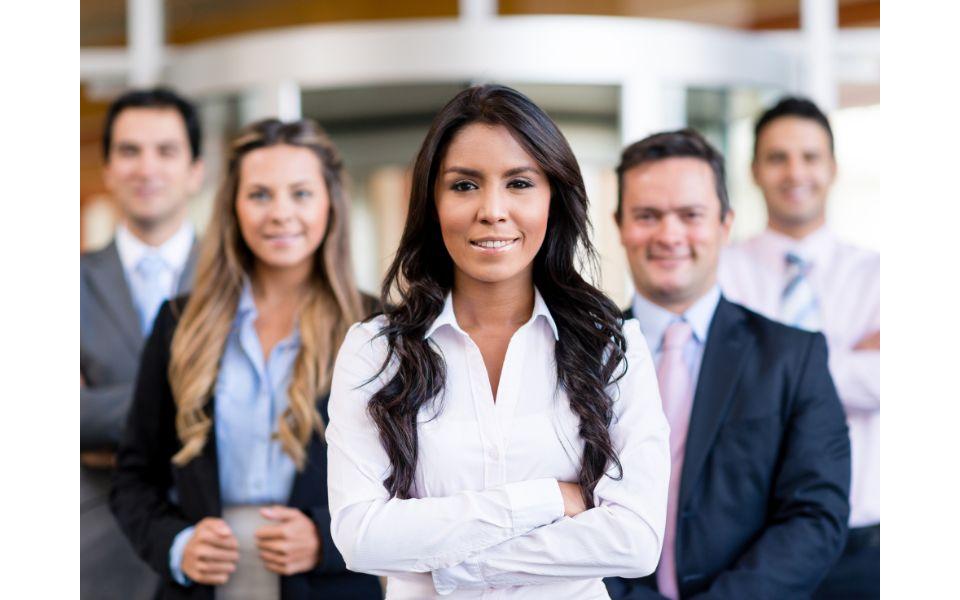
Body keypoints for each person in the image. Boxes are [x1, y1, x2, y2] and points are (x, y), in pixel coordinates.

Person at [325, 84, 671, 599]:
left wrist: (458, 568)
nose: (492, 209)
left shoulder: (612, 345)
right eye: (464, 185)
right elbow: (361, 538)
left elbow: (636, 541)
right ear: (432, 202)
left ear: (553, 196)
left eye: (519, 183)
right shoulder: (376, 351)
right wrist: (549, 500)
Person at [110, 118, 383, 600]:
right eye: (259, 195)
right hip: (202, 587)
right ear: (234, 208)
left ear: (330, 205)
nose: (280, 213)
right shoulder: (179, 323)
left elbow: (412, 487)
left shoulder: (378, 329)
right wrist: (177, 545)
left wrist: (326, 538)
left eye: (300, 194)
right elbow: (134, 479)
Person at [604, 129, 851, 599]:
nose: (669, 234)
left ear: (725, 223)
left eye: (690, 215)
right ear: (620, 224)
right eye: (647, 215)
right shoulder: (574, 357)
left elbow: (815, 514)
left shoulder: (793, 358)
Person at [719, 97, 880, 599]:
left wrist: (767, 369)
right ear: (754, 171)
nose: (795, 172)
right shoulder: (720, 274)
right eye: (777, 157)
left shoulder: (881, 275)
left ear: (832, 168)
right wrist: (854, 358)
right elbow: (719, 385)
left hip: (864, 543)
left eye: (810, 157)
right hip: (746, 541)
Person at [81, 87, 204, 600]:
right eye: (129, 151)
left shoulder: (242, 283)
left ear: (196, 170)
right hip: (98, 551)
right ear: (107, 169)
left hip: (214, 546)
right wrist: (194, 402)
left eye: (165, 151)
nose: (145, 167)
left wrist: (102, 418)